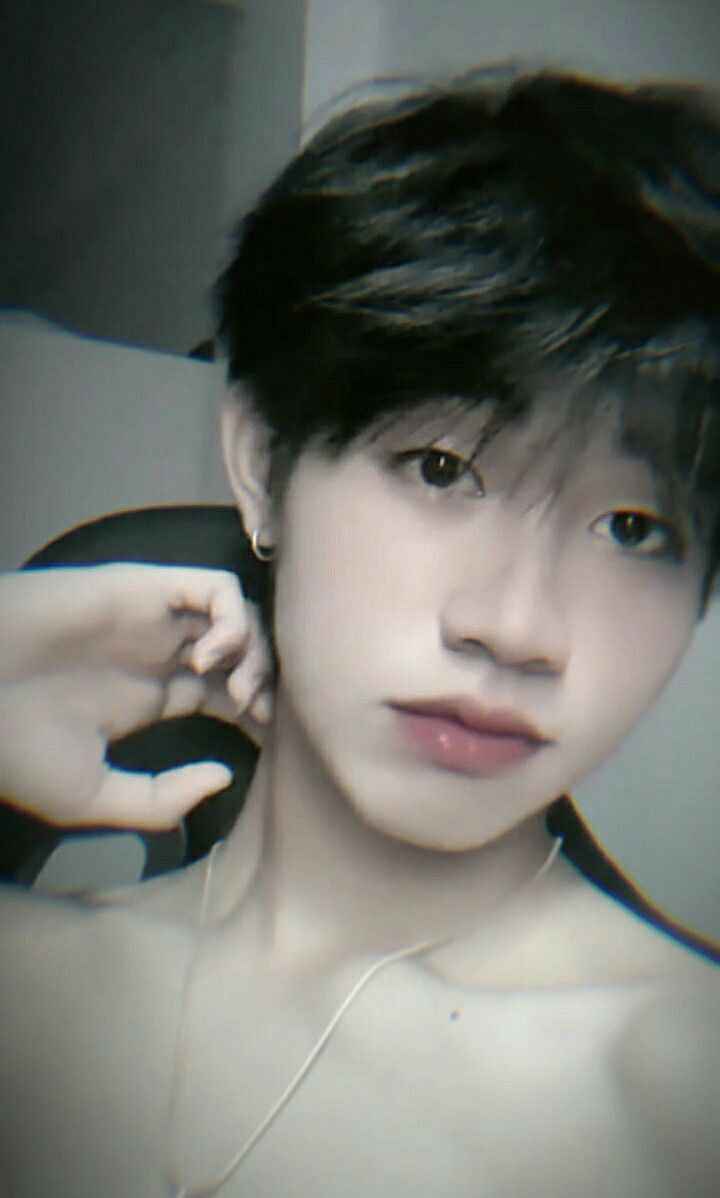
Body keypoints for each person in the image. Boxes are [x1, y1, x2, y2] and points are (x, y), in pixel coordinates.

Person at [1, 65, 720, 1197]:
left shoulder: (682, 1104)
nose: (513, 628)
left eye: (634, 528)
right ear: (262, 458)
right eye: (441, 467)